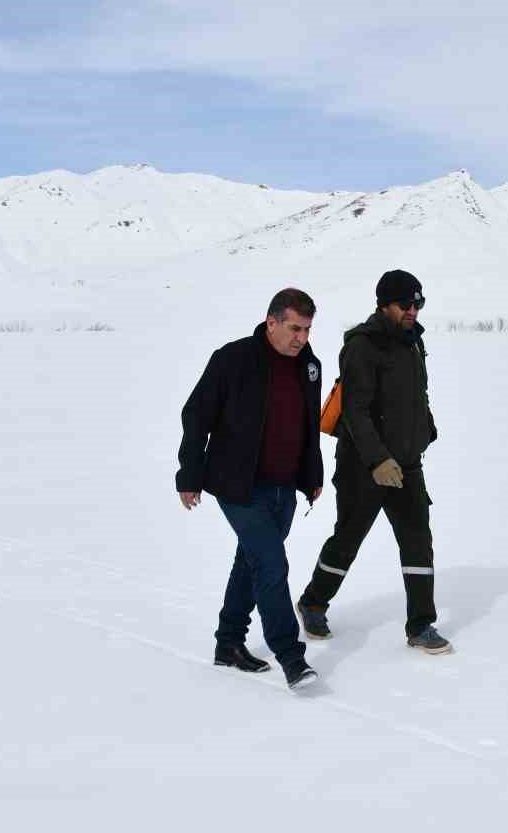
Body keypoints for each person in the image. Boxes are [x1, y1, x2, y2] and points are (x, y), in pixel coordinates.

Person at [176, 288, 325, 690]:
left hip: (284, 487)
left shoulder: (309, 366)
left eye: (308, 330)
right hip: (237, 485)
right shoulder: (234, 358)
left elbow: (309, 428)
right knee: (272, 565)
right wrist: (189, 475)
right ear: (271, 321)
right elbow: (197, 415)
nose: (301, 338)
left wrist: (312, 475)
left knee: (253, 562)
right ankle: (292, 658)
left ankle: (228, 644)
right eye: (294, 328)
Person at [297, 270, 452, 655]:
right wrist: (378, 459)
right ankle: (313, 602)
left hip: (407, 465)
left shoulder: (413, 343)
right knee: (348, 539)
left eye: (419, 303)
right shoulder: (362, 346)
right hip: (363, 468)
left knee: (418, 542)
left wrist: (425, 430)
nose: (413, 311)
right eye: (406, 304)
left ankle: (421, 625)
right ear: (385, 304)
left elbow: (419, 393)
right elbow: (355, 411)